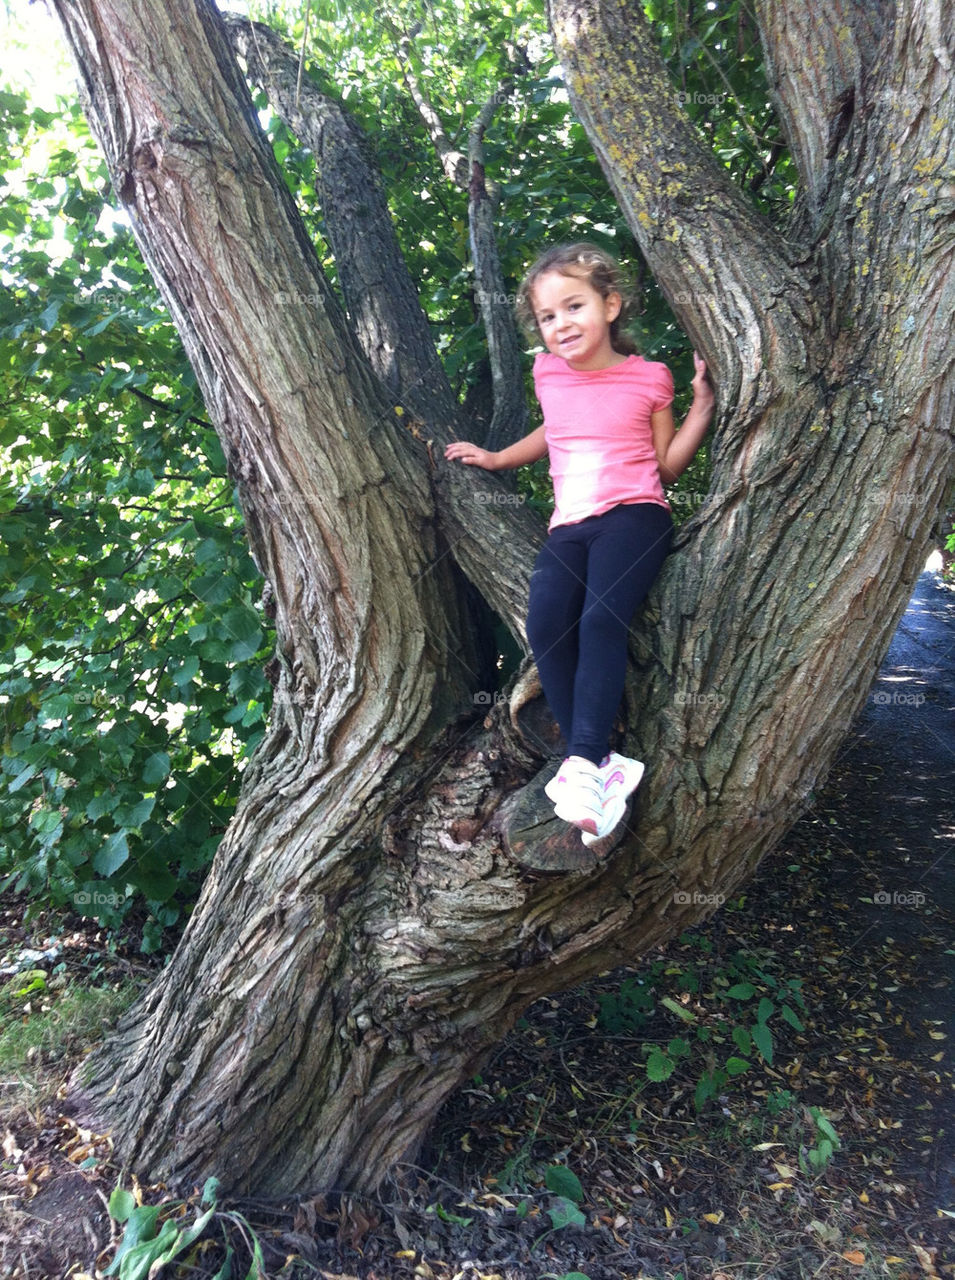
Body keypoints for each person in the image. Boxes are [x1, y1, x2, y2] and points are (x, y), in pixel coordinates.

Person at [446, 243, 714, 844]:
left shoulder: (649, 377)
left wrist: (701, 407)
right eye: (547, 316)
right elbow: (554, 430)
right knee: (545, 628)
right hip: (569, 525)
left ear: (611, 304)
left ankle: (586, 761)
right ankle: (599, 768)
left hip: (635, 516)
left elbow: (666, 466)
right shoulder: (547, 373)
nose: (561, 324)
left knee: (599, 621)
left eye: (574, 306)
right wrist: (495, 458)